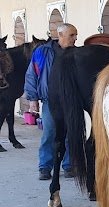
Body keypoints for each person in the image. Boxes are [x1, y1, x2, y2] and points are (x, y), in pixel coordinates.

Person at [25, 23, 78, 180]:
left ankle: (69, 165)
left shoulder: (77, 53)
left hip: (71, 100)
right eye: (72, 35)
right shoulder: (42, 52)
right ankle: (45, 167)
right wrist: (32, 99)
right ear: (60, 35)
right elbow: (31, 75)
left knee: (70, 134)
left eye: (76, 35)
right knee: (49, 133)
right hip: (50, 101)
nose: (75, 38)